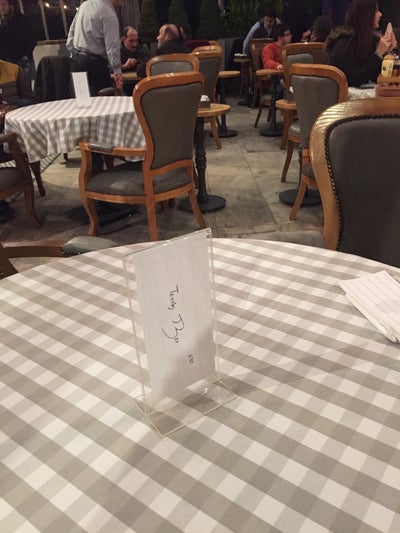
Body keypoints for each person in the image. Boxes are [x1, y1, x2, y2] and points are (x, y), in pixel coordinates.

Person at [327, 0, 397, 87]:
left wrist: (387, 53)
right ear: (366, 15)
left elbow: (375, 75)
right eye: (376, 11)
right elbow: (355, 79)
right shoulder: (345, 42)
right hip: (343, 93)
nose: (380, 14)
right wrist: (378, 53)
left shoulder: (369, 40)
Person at [66, 0, 124, 96]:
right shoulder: (109, 14)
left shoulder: (84, 6)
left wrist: (73, 54)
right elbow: (112, 46)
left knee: (81, 100)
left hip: (76, 62)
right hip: (95, 65)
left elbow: (71, 34)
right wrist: (117, 71)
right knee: (105, 101)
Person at [0, 0, 36, 85]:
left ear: (11, 6)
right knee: (11, 88)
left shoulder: (21, 19)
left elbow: (32, 37)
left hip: (22, 60)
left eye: (3, 4)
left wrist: (26, 56)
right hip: (7, 61)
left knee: (25, 87)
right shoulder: (2, 22)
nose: (1, 7)